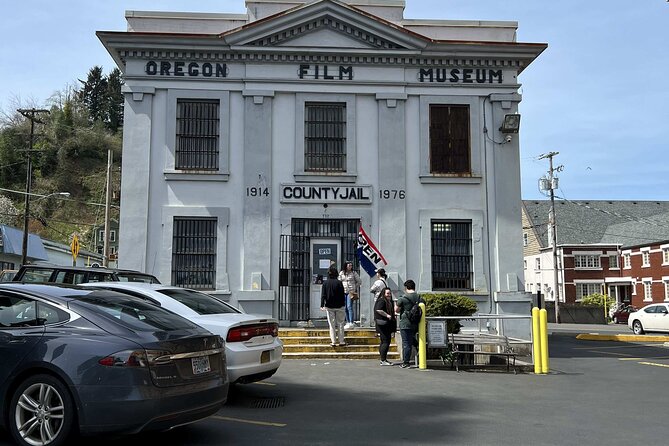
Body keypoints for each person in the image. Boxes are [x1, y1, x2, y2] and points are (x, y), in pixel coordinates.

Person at [395, 279, 422, 368]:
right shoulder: (419, 298)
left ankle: (406, 362)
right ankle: (418, 346)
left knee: (406, 343)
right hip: (416, 323)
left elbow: (397, 310)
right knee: (411, 339)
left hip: (405, 323)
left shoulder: (403, 298)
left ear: (406, 287)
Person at [321, 265, 346, 347]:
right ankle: (341, 341)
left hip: (329, 306)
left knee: (331, 325)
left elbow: (323, 295)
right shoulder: (339, 283)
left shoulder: (325, 283)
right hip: (339, 306)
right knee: (341, 323)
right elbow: (342, 295)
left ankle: (333, 341)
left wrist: (322, 305)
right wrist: (343, 303)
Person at [374, 287, 397, 366]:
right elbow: (378, 310)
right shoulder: (382, 301)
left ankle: (383, 359)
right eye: (387, 293)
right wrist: (387, 315)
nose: (389, 295)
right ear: (384, 294)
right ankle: (383, 360)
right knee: (386, 341)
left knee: (384, 341)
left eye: (390, 293)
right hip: (383, 325)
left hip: (385, 325)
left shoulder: (388, 301)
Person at [339, 261, 361, 329]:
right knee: (344, 307)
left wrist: (354, 288)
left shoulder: (354, 273)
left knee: (349, 306)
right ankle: (347, 321)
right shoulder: (342, 273)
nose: (350, 267)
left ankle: (351, 322)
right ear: (346, 266)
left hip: (350, 292)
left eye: (351, 265)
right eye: (349, 265)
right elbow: (339, 280)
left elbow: (359, 281)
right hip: (343, 291)